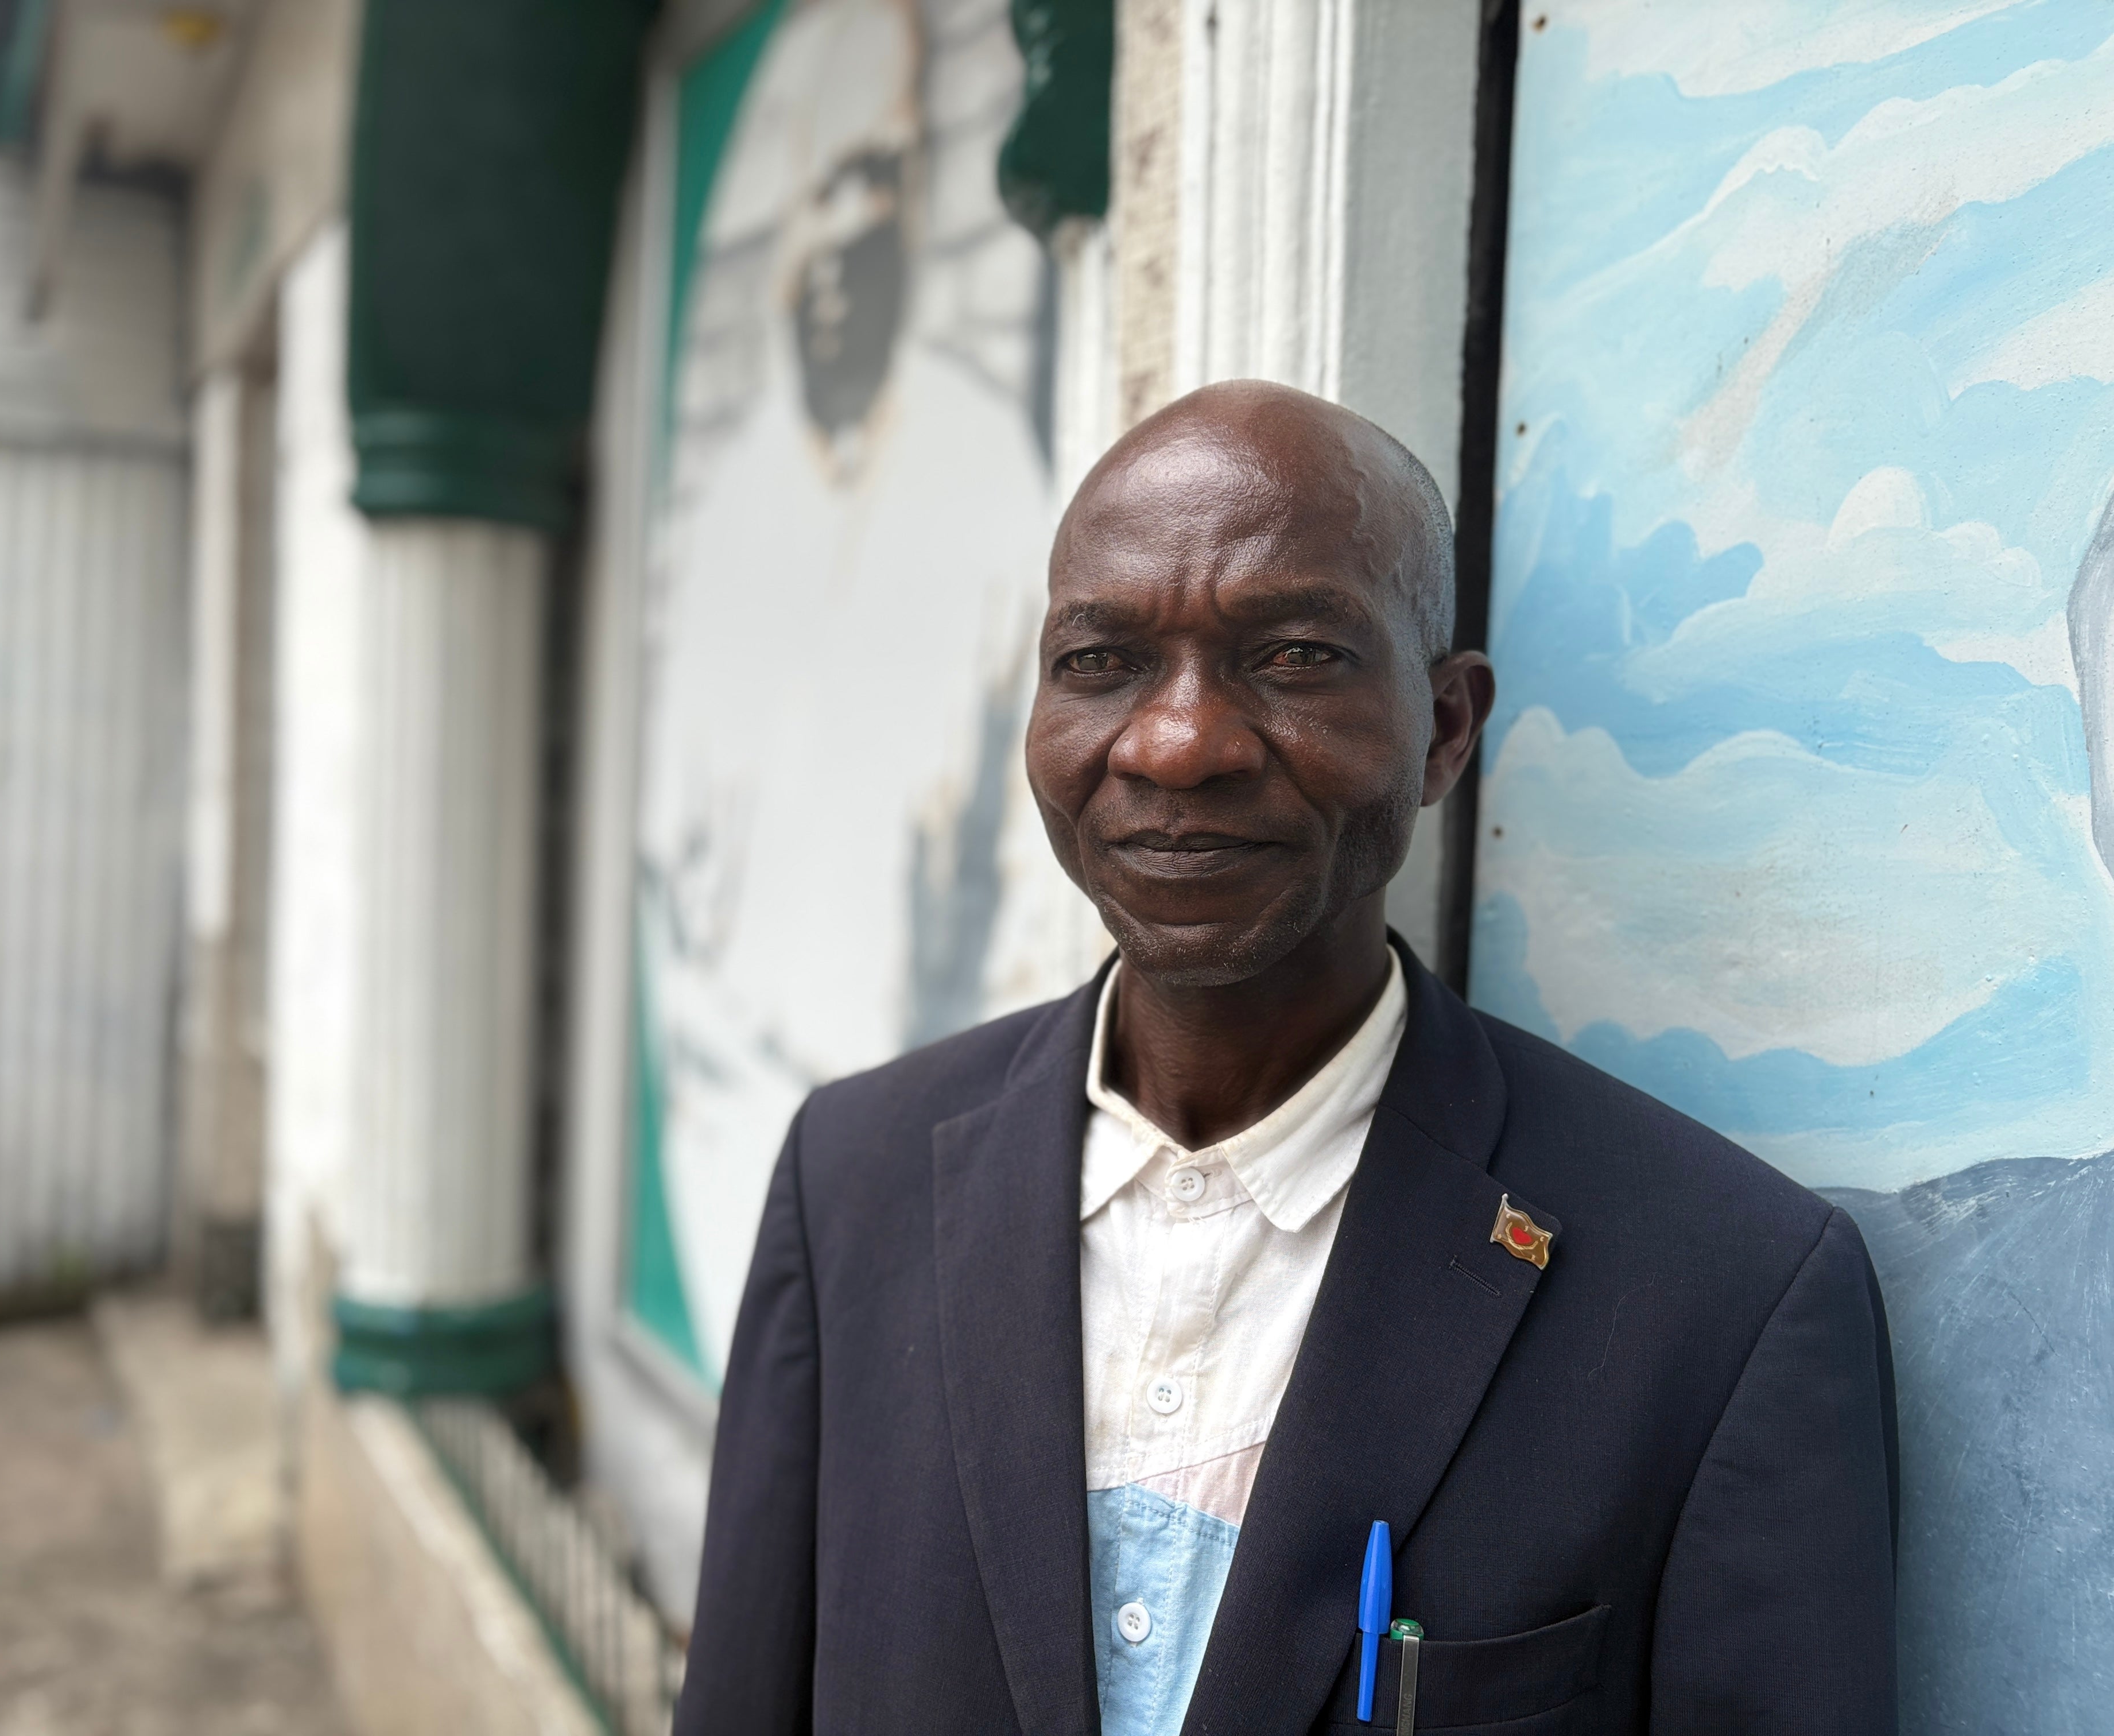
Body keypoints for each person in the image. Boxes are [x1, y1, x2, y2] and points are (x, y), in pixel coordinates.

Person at [674, 381, 1898, 1735]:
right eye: (1099, 662)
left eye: (1295, 656)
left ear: (1443, 729)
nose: (1177, 742)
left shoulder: (1720, 1298)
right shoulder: (853, 1183)